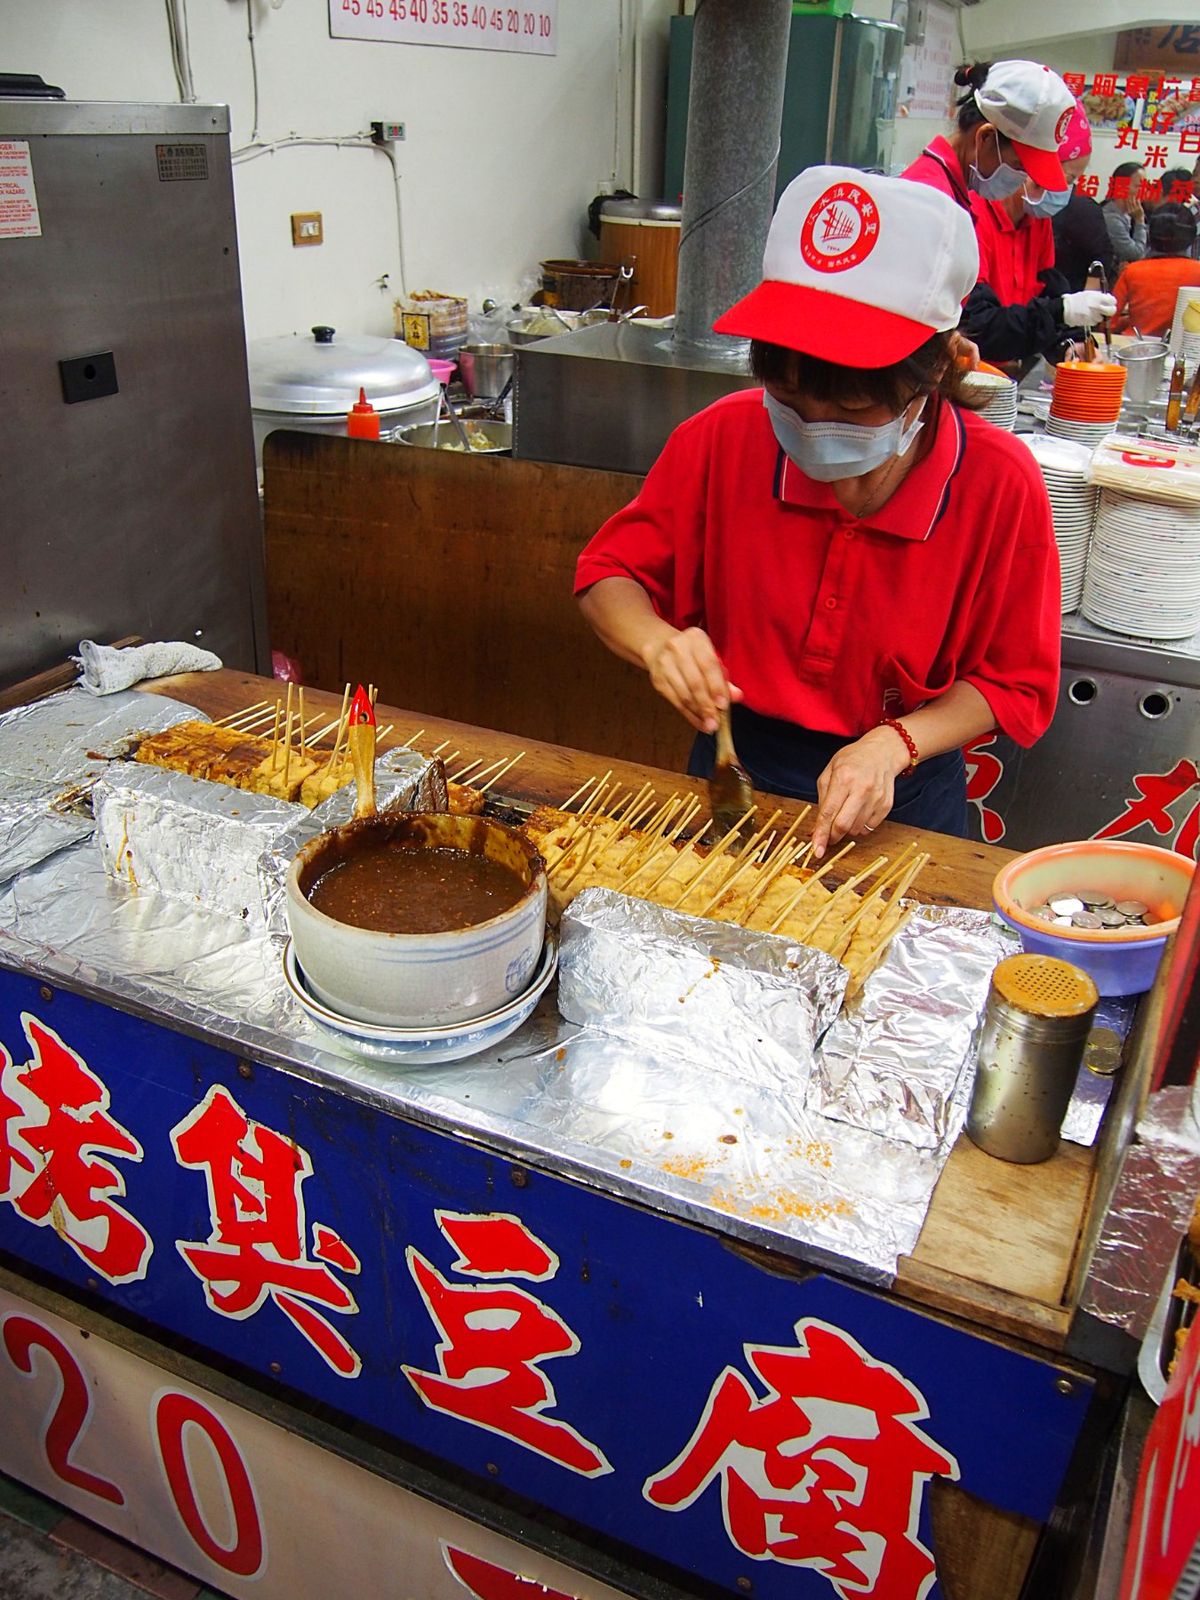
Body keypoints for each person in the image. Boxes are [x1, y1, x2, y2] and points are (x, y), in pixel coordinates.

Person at [574, 170, 1061, 857]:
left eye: (853, 409)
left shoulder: (998, 482)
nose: (812, 426)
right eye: (789, 395)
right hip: (739, 767)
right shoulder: (723, 437)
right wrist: (657, 642)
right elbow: (608, 575)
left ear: (938, 371)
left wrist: (896, 744)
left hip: (904, 793)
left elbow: (1013, 681)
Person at [903, 64, 1114, 363]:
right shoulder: (932, 198)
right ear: (985, 138)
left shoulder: (953, 192)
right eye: (1019, 167)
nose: (1019, 181)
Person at [1051, 102, 1116, 292]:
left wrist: (1087, 301)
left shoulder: (1081, 209)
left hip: (1065, 303)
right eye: (1069, 177)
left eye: (1073, 179)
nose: (1069, 187)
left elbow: (1102, 256)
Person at [1111, 205, 1200, 336]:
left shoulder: (1132, 271)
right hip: (1185, 349)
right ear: (1191, 237)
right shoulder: (1197, 271)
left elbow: (1108, 322)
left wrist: (1128, 321)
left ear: (1150, 234)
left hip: (1135, 347)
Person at [1102, 162, 1148, 265]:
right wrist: (1140, 221)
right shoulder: (1111, 218)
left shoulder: (1128, 214)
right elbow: (1136, 255)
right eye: (1138, 186)